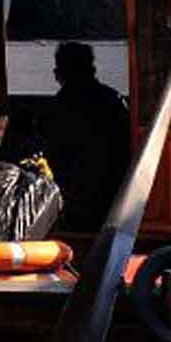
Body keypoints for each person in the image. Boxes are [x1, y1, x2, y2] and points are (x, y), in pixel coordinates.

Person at [43, 42, 134, 234]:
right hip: (112, 198)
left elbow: (52, 151)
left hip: (72, 198)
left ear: (59, 72)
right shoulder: (113, 101)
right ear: (91, 69)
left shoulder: (56, 108)